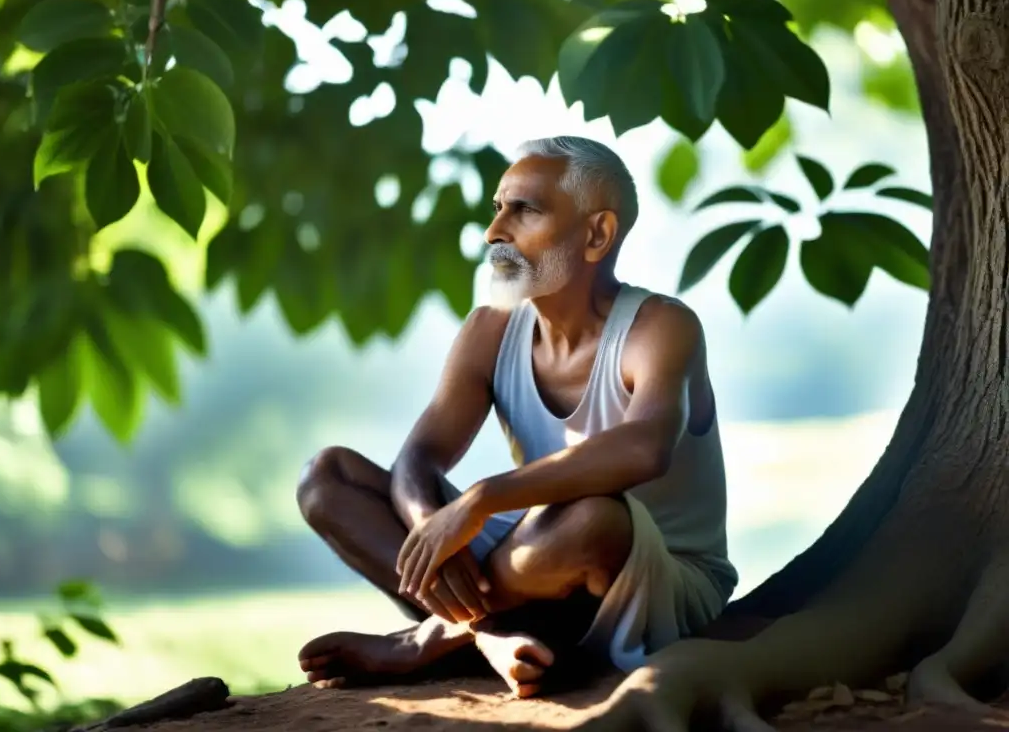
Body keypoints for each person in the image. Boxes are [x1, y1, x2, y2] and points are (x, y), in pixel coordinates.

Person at [296, 135, 738, 698]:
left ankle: (425, 641)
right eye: (497, 208)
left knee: (595, 517)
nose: (494, 232)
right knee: (327, 476)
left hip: (659, 577)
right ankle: (487, 632)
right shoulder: (491, 329)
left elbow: (644, 448)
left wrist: (480, 500)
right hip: (534, 570)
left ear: (597, 234)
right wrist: (436, 527)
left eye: (524, 210)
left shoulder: (659, 327)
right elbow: (419, 458)